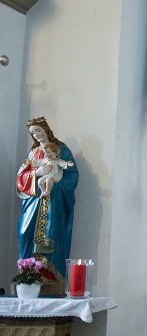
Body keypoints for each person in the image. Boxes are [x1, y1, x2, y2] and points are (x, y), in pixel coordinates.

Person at [16, 116, 79, 277]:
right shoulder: (33, 153)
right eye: (32, 133)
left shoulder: (61, 150)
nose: (36, 135)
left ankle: (51, 277)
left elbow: (72, 175)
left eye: (38, 130)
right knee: (25, 233)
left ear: (46, 129)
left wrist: (54, 184)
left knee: (51, 234)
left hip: (53, 200)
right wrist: (37, 173)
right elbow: (21, 177)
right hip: (33, 201)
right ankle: (27, 275)